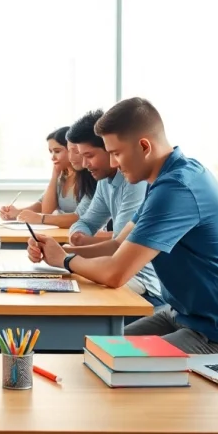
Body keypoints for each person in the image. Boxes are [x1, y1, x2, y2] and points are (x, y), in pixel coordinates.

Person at [27, 97, 218, 354]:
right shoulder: (167, 179)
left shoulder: (176, 188)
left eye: (116, 153)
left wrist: (65, 261)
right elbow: (117, 245)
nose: (113, 163)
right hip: (181, 314)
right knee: (92, 349)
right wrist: (59, 251)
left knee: (109, 358)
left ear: (144, 146)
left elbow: (115, 274)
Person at [64, 109, 164, 307]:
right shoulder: (106, 181)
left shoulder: (140, 181)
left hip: (143, 284)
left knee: (77, 298)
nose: (84, 164)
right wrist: (76, 241)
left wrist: (68, 257)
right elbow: (93, 226)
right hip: (123, 274)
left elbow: (119, 251)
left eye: (89, 156)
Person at [0, 127, 86, 228]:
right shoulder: (62, 176)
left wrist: (40, 218)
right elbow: (43, 206)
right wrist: (18, 213)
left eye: (57, 151)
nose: (52, 157)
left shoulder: (87, 178)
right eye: (51, 152)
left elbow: (47, 213)